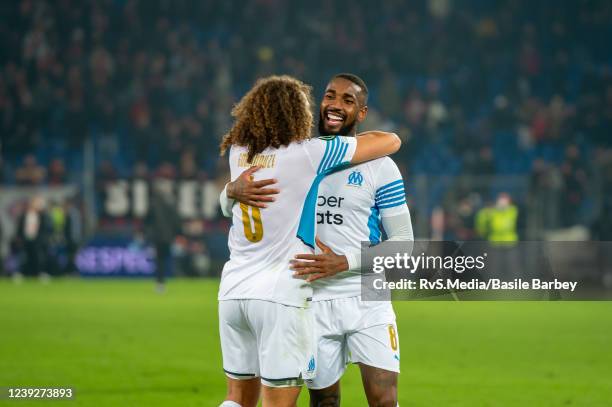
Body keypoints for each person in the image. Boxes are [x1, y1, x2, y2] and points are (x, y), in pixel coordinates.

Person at [221, 74, 412, 407]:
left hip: (369, 295)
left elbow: (403, 243)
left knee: (384, 401)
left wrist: (346, 261)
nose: (336, 105)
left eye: (347, 100)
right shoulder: (305, 157)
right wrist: (229, 192)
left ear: (362, 113)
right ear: (316, 104)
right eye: (329, 96)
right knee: (324, 402)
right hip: (313, 296)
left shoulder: (381, 168)